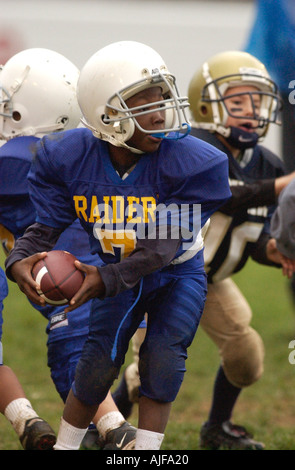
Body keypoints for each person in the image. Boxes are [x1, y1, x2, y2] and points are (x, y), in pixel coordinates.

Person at [4, 40, 231, 451]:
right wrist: (19, 257)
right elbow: (47, 225)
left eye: (160, 100)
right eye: (142, 106)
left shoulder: (195, 162)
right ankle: (67, 446)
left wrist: (106, 277)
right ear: (106, 116)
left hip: (177, 270)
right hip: (115, 266)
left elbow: (161, 248)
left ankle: (145, 453)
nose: (160, 113)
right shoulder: (70, 156)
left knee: (163, 358)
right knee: (96, 362)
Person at [112, 50, 295, 450]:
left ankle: (217, 428)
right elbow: (225, 197)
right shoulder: (192, 146)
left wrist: (278, 250)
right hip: (161, 270)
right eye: (238, 101)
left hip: (207, 277)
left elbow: (252, 232)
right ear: (207, 105)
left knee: (247, 357)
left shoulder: (268, 163)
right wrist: (284, 186)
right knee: (151, 371)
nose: (251, 111)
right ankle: (109, 420)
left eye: (257, 101)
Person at [0, 47, 136, 450]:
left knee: (73, 355)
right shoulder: (83, 149)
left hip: (69, 278)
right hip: (117, 276)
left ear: (23, 112)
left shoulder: (13, 159)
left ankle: (100, 426)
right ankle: (109, 423)